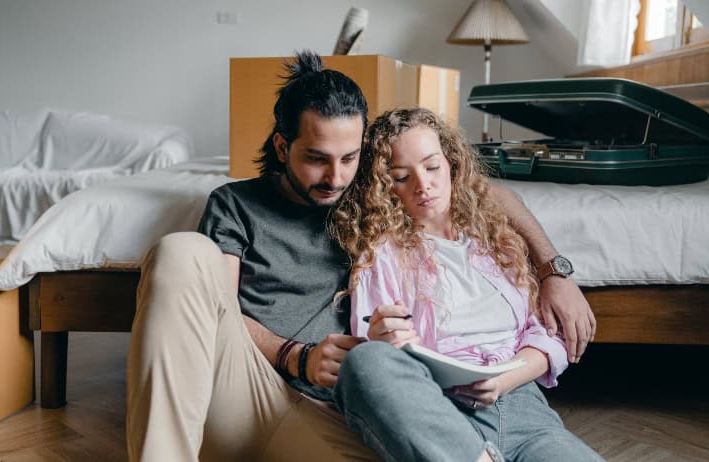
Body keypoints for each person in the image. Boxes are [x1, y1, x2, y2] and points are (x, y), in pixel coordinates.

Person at [126, 50, 596, 461]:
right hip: (254, 387)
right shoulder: (237, 205)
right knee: (181, 250)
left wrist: (554, 269)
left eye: (349, 158)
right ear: (281, 146)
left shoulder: (367, 200)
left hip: (334, 415)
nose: (334, 176)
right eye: (316, 158)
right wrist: (295, 356)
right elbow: (218, 312)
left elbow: (481, 193)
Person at [329, 107, 604, 462]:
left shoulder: (497, 236)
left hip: (522, 408)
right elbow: (377, 348)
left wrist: (503, 380)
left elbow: (548, 333)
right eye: (400, 176)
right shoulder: (381, 254)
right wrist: (387, 337)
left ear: (452, 164)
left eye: (431, 167)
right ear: (383, 186)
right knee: (367, 361)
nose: (422, 185)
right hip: (438, 409)